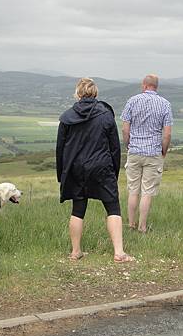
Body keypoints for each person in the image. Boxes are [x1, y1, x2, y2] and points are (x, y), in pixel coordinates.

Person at [56, 78, 134, 263]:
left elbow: (60, 149)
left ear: (78, 93)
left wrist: (62, 175)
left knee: (78, 209)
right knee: (112, 207)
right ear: (95, 93)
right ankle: (119, 253)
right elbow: (115, 147)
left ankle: (76, 252)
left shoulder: (67, 117)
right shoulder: (106, 115)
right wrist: (113, 173)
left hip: (76, 169)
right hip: (101, 167)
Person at [120, 74, 173, 233]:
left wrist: (128, 145)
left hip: (135, 150)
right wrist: (163, 150)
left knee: (133, 190)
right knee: (147, 191)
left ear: (144, 85)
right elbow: (167, 134)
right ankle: (142, 227)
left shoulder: (132, 101)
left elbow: (124, 129)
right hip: (153, 152)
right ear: (156, 86)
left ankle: (130, 224)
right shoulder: (165, 104)